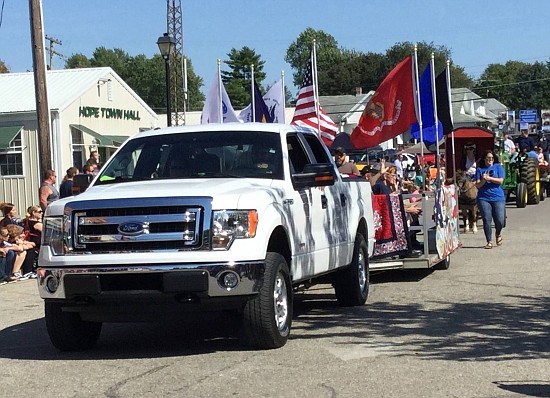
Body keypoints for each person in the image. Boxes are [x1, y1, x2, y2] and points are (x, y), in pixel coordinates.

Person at [475, 150, 505, 249]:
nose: (490, 160)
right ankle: (489, 241)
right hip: (484, 198)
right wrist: (484, 180)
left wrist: (489, 179)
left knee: (500, 220)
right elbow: (478, 185)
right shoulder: (479, 169)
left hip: (498, 197)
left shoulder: (498, 167)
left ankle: (498, 233)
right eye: (488, 158)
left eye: (492, 158)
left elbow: (500, 181)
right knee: (487, 219)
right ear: (484, 159)